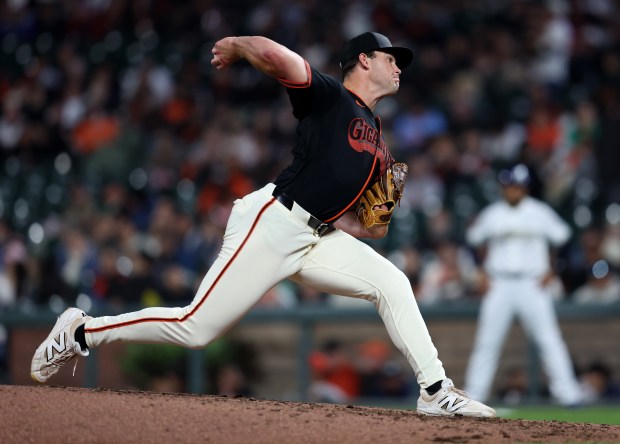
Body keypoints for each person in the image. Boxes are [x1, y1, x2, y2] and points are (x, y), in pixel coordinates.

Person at [31, 32, 495, 417]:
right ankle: (80, 331)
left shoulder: (378, 138)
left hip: (320, 235)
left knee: (392, 282)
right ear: (364, 59)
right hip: (275, 222)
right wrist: (237, 44)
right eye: (391, 59)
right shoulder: (333, 97)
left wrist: (386, 205)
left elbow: (373, 230)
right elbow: (278, 57)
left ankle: (435, 392)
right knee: (196, 328)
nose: (399, 68)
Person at [463, 164, 583, 406]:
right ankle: (475, 394)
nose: (512, 191)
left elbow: (565, 239)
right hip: (499, 284)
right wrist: (480, 273)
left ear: (525, 188)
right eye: (509, 186)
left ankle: (568, 394)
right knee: (487, 342)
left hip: (532, 284)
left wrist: (555, 269)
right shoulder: (493, 213)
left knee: (549, 339)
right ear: (503, 188)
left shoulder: (540, 212)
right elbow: (471, 241)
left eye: (517, 186)